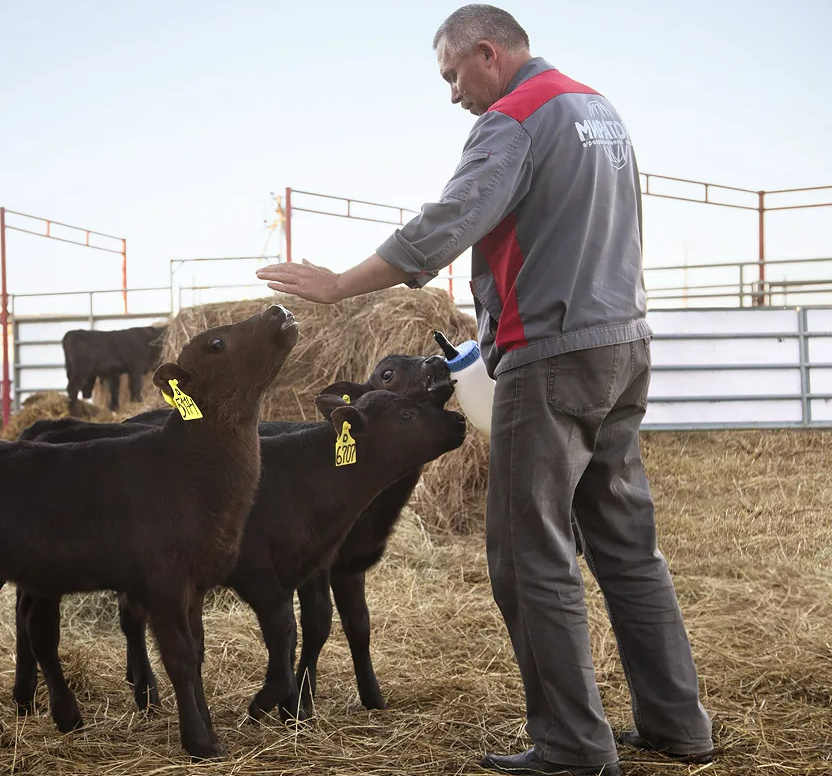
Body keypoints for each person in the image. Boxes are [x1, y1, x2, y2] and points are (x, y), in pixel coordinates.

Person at [256, 5, 715, 775]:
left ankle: (572, 746)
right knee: (628, 546)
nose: (453, 95)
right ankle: (679, 724)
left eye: (451, 75)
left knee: (527, 551)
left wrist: (339, 285)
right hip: (623, 345)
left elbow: (450, 221)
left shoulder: (515, 118)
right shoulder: (598, 111)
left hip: (553, 353)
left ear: (486, 52)